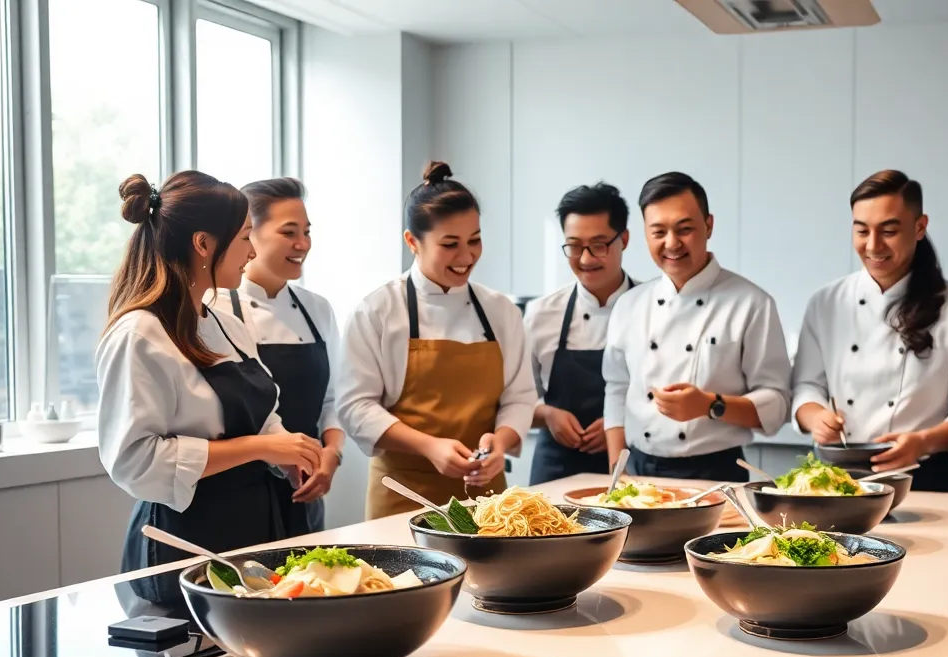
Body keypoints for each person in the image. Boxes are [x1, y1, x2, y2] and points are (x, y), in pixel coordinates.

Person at [96, 171, 323, 601]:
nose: (251, 251)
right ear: (203, 243)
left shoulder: (225, 323)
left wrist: (288, 451)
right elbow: (135, 462)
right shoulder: (139, 334)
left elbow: (262, 417)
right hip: (184, 542)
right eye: (243, 238)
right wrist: (260, 449)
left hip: (253, 529)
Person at [337, 162, 536, 518]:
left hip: (488, 500)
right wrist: (429, 447)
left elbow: (520, 397)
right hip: (402, 496)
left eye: (474, 240)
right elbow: (356, 407)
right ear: (412, 241)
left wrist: (500, 443)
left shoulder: (500, 310)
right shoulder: (377, 310)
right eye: (450, 244)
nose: (466, 257)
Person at [791, 170, 948, 492]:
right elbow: (806, 385)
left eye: (889, 231)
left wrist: (922, 442)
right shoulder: (826, 302)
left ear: (920, 227)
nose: (873, 245)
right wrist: (814, 417)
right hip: (833, 476)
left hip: (920, 476)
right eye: (861, 230)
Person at [602, 171, 791, 482]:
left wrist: (710, 405)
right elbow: (616, 389)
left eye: (685, 229)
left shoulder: (752, 303)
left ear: (709, 225)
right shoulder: (629, 304)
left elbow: (777, 403)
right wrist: (616, 471)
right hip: (638, 472)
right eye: (658, 231)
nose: (672, 243)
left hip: (716, 473)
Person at [209, 178, 343, 534]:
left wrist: (331, 454)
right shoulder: (215, 308)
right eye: (289, 232)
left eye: (307, 232)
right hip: (242, 493)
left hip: (307, 487)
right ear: (249, 233)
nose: (303, 244)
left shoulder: (318, 309)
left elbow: (332, 398)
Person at [524, 183, 636, 484]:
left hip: (633, 465)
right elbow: (514, 399)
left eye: (599, 245)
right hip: (555, 467)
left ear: (623, 239)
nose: (585, 259)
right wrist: (547, 415)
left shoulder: (652, 308)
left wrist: (623, 423)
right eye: (574, 246)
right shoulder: (541, 314)